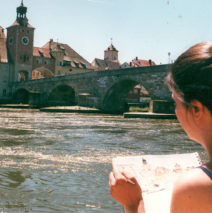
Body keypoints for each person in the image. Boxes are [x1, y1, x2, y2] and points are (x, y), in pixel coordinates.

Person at [109, 41, 212, 213]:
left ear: (196, 109)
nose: (176, 111)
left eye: (175, 103)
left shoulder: (194, 187)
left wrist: (134, 204)